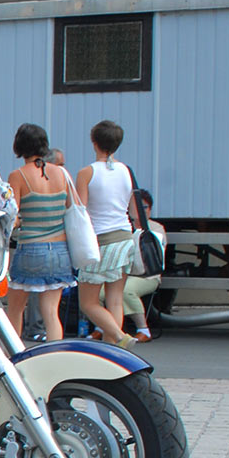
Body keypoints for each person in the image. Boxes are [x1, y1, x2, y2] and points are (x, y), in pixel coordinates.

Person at [3, 123, 74, 344]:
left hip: (32, 248)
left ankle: (14, 357)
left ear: (19, 146)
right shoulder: (61, 173)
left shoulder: (18, 175)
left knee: (15, 309)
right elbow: (71, 207)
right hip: (61, 249)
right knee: (51, 313)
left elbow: (13, 218)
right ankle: (55, 358)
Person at [74, 120, 140, 346]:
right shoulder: (125, 171)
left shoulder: (87, 172)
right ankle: (115, 352)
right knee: (115, 299)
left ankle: (121, 337)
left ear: (94, 142)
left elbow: (80, 211)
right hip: (124, 236)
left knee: (88, 303)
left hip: (100, 241)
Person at [118, 188, 165, 342]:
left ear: (150, 209)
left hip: (148, 275)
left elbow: (149, 255)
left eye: (145, 207)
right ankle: (102, 328)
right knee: (99, 292)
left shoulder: (156, 228)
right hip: (125, 273)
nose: (141, 211)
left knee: (126, 290)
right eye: (137, 207)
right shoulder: (125, 226)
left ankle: (143, 329)